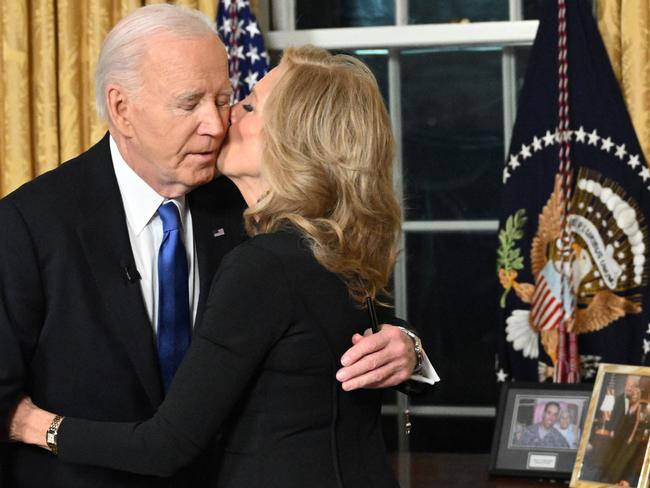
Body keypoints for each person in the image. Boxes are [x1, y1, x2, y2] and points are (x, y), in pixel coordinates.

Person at [0, 5, 434, 487]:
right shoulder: (28, 225)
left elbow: (336, 305)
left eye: (226, 100)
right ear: (122, 109)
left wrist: (408, 349)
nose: (215, 123)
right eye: (190, 104)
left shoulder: (252, 202)